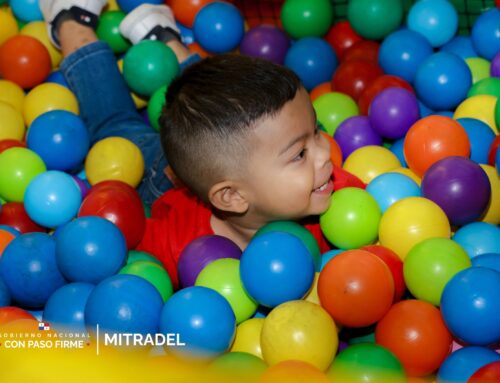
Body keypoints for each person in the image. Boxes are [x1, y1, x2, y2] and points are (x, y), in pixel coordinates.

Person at [41, 0, 365, 289]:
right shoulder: (179, 245)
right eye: (300, 154)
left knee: (222, 106)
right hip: (160, 175)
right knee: (113, 127)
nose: (326, 155)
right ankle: (73, 22)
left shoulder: (338, 196)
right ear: (232, 197)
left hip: (216, 153)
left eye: (316, 131)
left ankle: (163, 37)